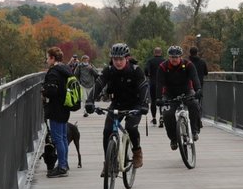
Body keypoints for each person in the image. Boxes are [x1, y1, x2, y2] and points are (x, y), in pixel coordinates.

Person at [86, 43, 149, 173]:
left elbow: (143, 87)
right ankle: (109, 162)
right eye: (115, 59)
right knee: (107, 131)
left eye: (121, 59)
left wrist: (144, 104)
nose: (118, 62)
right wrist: (89, 101)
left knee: (131, 128)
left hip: (135, 105)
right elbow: (99, 84)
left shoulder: (135, 70)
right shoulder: (109, 70)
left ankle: (137, 151)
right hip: (117, 104)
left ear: (127, 58)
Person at [157, 45, 202, 150]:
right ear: (169, 57)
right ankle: (173, 139)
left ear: (180, 57)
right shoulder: (163, 67)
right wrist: (159, 98)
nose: (174, 59)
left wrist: (198, 89)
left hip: (186, 91)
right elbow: (159, 83)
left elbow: (195, 77)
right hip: (169, 93)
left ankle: (194, 131)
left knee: (194, 104)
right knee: (167, 114)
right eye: (172, 57)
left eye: (177, 57)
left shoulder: (188, 64)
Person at [41, 46, 73, 177]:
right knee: (63, 137)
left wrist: (44, 91)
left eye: (47, 58)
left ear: (53, 58)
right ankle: (64, 163)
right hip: (65, 107)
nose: (46, 60)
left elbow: (52, 91)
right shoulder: (66, 69)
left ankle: (61, 167)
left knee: (58, 138)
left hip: (56, 108)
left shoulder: (54, 72)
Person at [144, 47, 165, 127]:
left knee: (153, 101)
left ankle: (154, 118)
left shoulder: (150, 61)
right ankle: (162, 117)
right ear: (161, 52)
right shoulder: (164, 61)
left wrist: (147, 74)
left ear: (154, 52)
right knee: (161, 100)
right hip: (162, 84)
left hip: (152, 83)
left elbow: (146, 69)